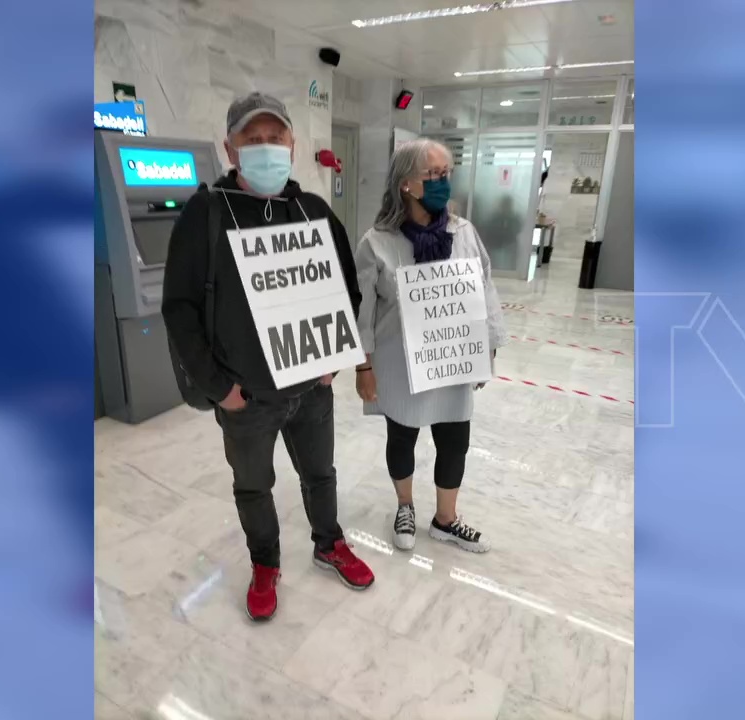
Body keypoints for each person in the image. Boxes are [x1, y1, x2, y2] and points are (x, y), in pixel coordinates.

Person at [162, 92, 375, 622]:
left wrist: (333, 358)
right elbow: (180, 309)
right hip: (246, 396)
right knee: (254, 486)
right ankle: (265, 563)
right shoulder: (207, 214)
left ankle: (329, 544)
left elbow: (347, 291)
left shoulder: (315, 212)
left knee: (320, 474)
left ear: (293, 145)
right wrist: (219, 388)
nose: (264, 148)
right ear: (229, 148)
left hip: (311, 389)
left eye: (274, 138)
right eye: (251, 140)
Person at [353, 139, 507, 554]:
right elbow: (363, 310)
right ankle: (405, 506)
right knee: (402, 437)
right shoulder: (377, 242)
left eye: (446, 172)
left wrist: (487, 345)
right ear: (406, 184)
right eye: (432, 174)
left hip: (454, 358)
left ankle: (446, 519)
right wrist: (363, 368)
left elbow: (485, 289)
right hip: (399, 363)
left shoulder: (464, 233)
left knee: (454, 440)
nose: (443, 181)